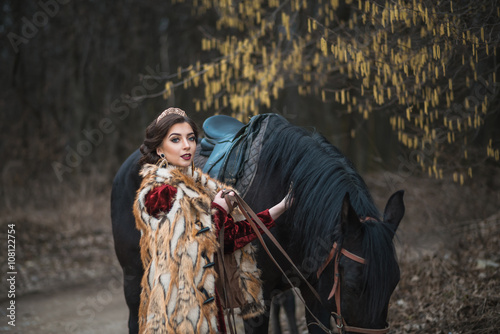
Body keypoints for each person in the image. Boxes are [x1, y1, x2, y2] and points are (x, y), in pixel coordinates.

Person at [133, 107, 290, 334]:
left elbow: (225, 240)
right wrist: (218, 208)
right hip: (177, 309)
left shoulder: (197, 188)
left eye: (191, 138)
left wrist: (279, 208)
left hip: (205, 305)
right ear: (160, 149)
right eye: (175, 140)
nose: (187, 146)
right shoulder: (158, 193)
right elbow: (189, 246)